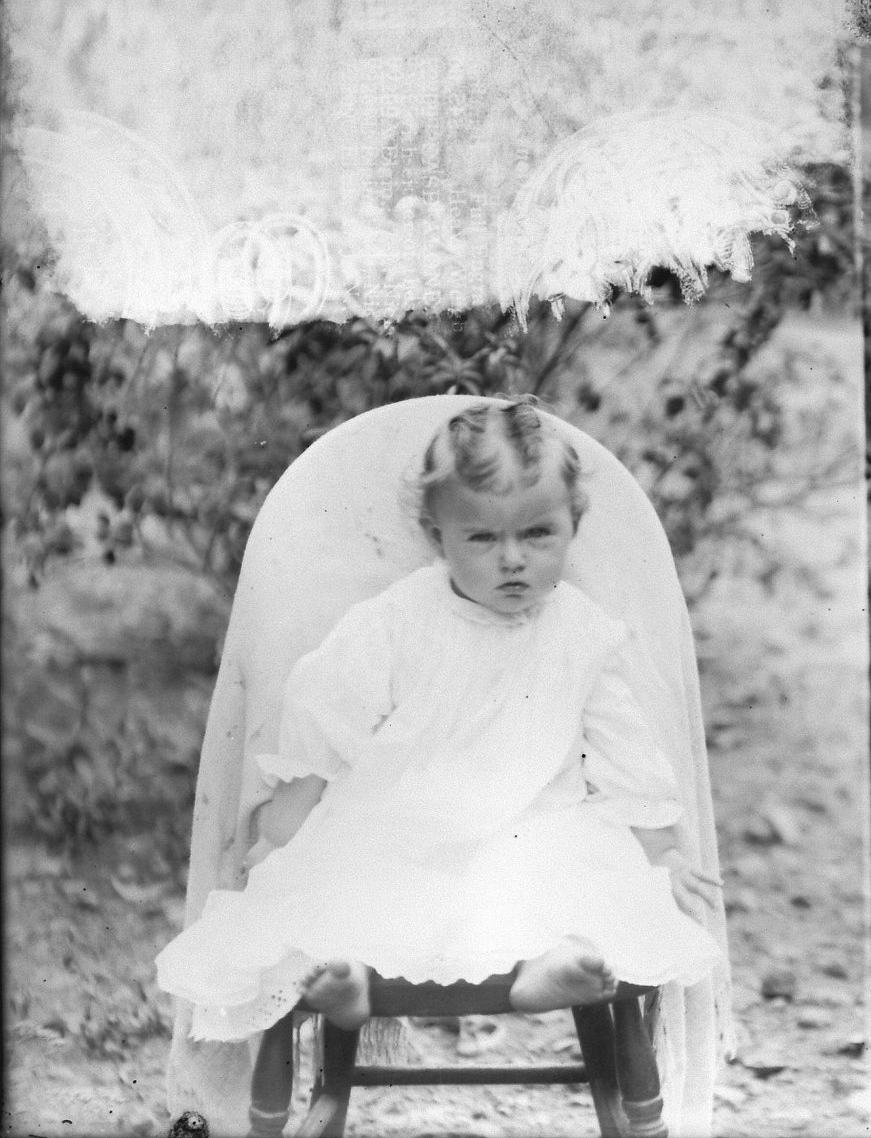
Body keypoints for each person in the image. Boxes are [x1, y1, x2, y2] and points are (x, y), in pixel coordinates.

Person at [156, 398, 724, 1050]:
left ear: (574, 524)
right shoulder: (399, 620)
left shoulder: (582, 633)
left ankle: (550, 966)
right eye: (481, 538)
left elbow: (623, 751)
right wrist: (282, 829)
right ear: (437, 536)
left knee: (576, 872)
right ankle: (348, 978)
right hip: (402, 824)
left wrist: (663, 852)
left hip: (533, 821)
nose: (512, 559)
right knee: (342, 881)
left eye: (538, 534)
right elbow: (324, 714)